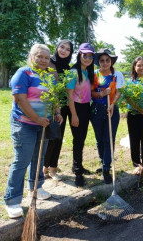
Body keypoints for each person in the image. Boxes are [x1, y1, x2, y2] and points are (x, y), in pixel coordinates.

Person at [4, 44, 63, 218]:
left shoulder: (49, 77)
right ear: (31, 56)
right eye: (40, 56)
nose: (44, 60)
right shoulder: (23, 73)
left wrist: (57, 112)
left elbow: (55, 97)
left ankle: (36, 187)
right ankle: (12, 200)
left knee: (39, 157)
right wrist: (37, 119)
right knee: (22, 160)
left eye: (46, 57)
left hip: (43, 124)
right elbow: (20, 100)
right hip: (24, 124)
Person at [90, 49, 124, 184]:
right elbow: (91, 93)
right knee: (99, 139)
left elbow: (119, 92)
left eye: (107, 60)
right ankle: (103, 161)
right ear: (99, 62)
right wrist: (102, 94)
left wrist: (112, 104)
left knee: (109, 139)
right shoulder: (94, 75)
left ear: (111, 62)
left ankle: (106, 168)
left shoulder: (117, 75)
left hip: (111, 110)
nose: (104, 63)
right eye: (102, 60)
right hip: (96, 110)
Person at [43, 39, 73, 180]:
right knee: (48, 137)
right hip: (49, 105)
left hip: (63, 106)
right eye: (62, 47)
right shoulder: (48, 63)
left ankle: (53, 167)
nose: (64, 51)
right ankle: (44, 167)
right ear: (57, 47)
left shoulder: (68, 68)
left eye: (68, 49)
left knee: (58, 136)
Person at [66, 43, 95, 187]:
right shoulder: (73, 72)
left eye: (90, 56)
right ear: (79, 55)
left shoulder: (88, 72)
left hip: (86, 108)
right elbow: (69, 95)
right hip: (76, 108)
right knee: (77, 139)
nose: (87, 58)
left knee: (82, 138)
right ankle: (78, 173)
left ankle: (77, 165)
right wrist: (74, 115)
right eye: (85, 55)